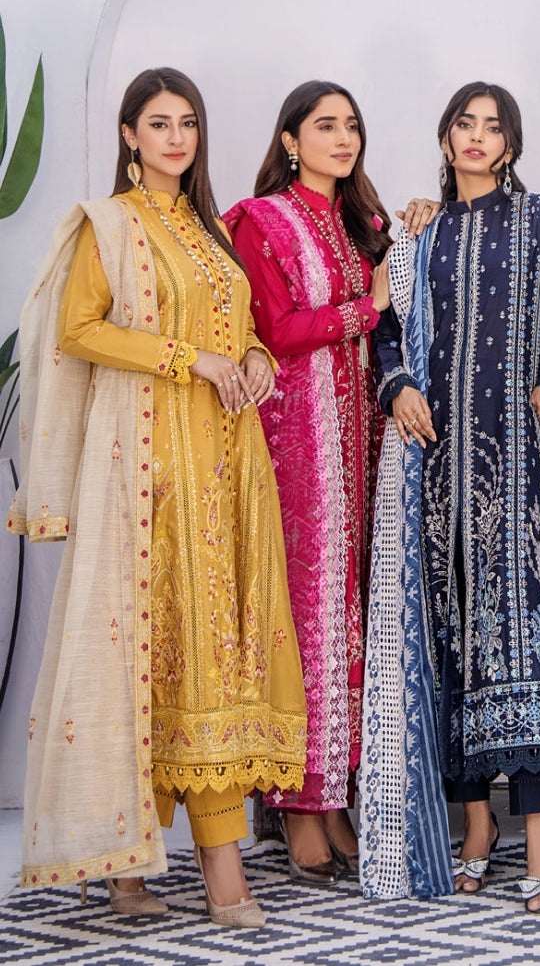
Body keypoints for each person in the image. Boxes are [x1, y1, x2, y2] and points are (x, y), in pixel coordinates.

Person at [6, 67, 307, 928]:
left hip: (227, 463)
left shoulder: (210, 230)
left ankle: (160, 861)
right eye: (159, 123)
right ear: (129, 134)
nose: (176, 137)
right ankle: (190, 863)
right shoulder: (109, 223)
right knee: (158, 653)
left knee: (218, 652)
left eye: (188, 124)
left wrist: (253, 356)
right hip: (149, 471)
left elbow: (238, 325)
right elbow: (80, 329)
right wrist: (190, 360)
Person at [358, 81, 540, 913]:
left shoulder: (538, 217)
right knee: (449, 634)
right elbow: (384, 325)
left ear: (510, 145)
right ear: (446, 138)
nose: (476, 137)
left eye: (492, 127)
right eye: (464, 124)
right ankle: (476, 827)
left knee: (519, 636)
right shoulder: (421, 234)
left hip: (514, 460)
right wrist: (396, 385)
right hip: (433, 462)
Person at [225, 80, 394, 886]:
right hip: (296, 442)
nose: (343, 138)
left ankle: (337, 793)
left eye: (351, 125)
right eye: (325, 125)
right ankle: (297, 801)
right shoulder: (261, 221)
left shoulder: (364, 222)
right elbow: (274, 329)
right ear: (290, 140)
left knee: (352, 611)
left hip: (360, 443)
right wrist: (367, 308)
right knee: (305, 613)